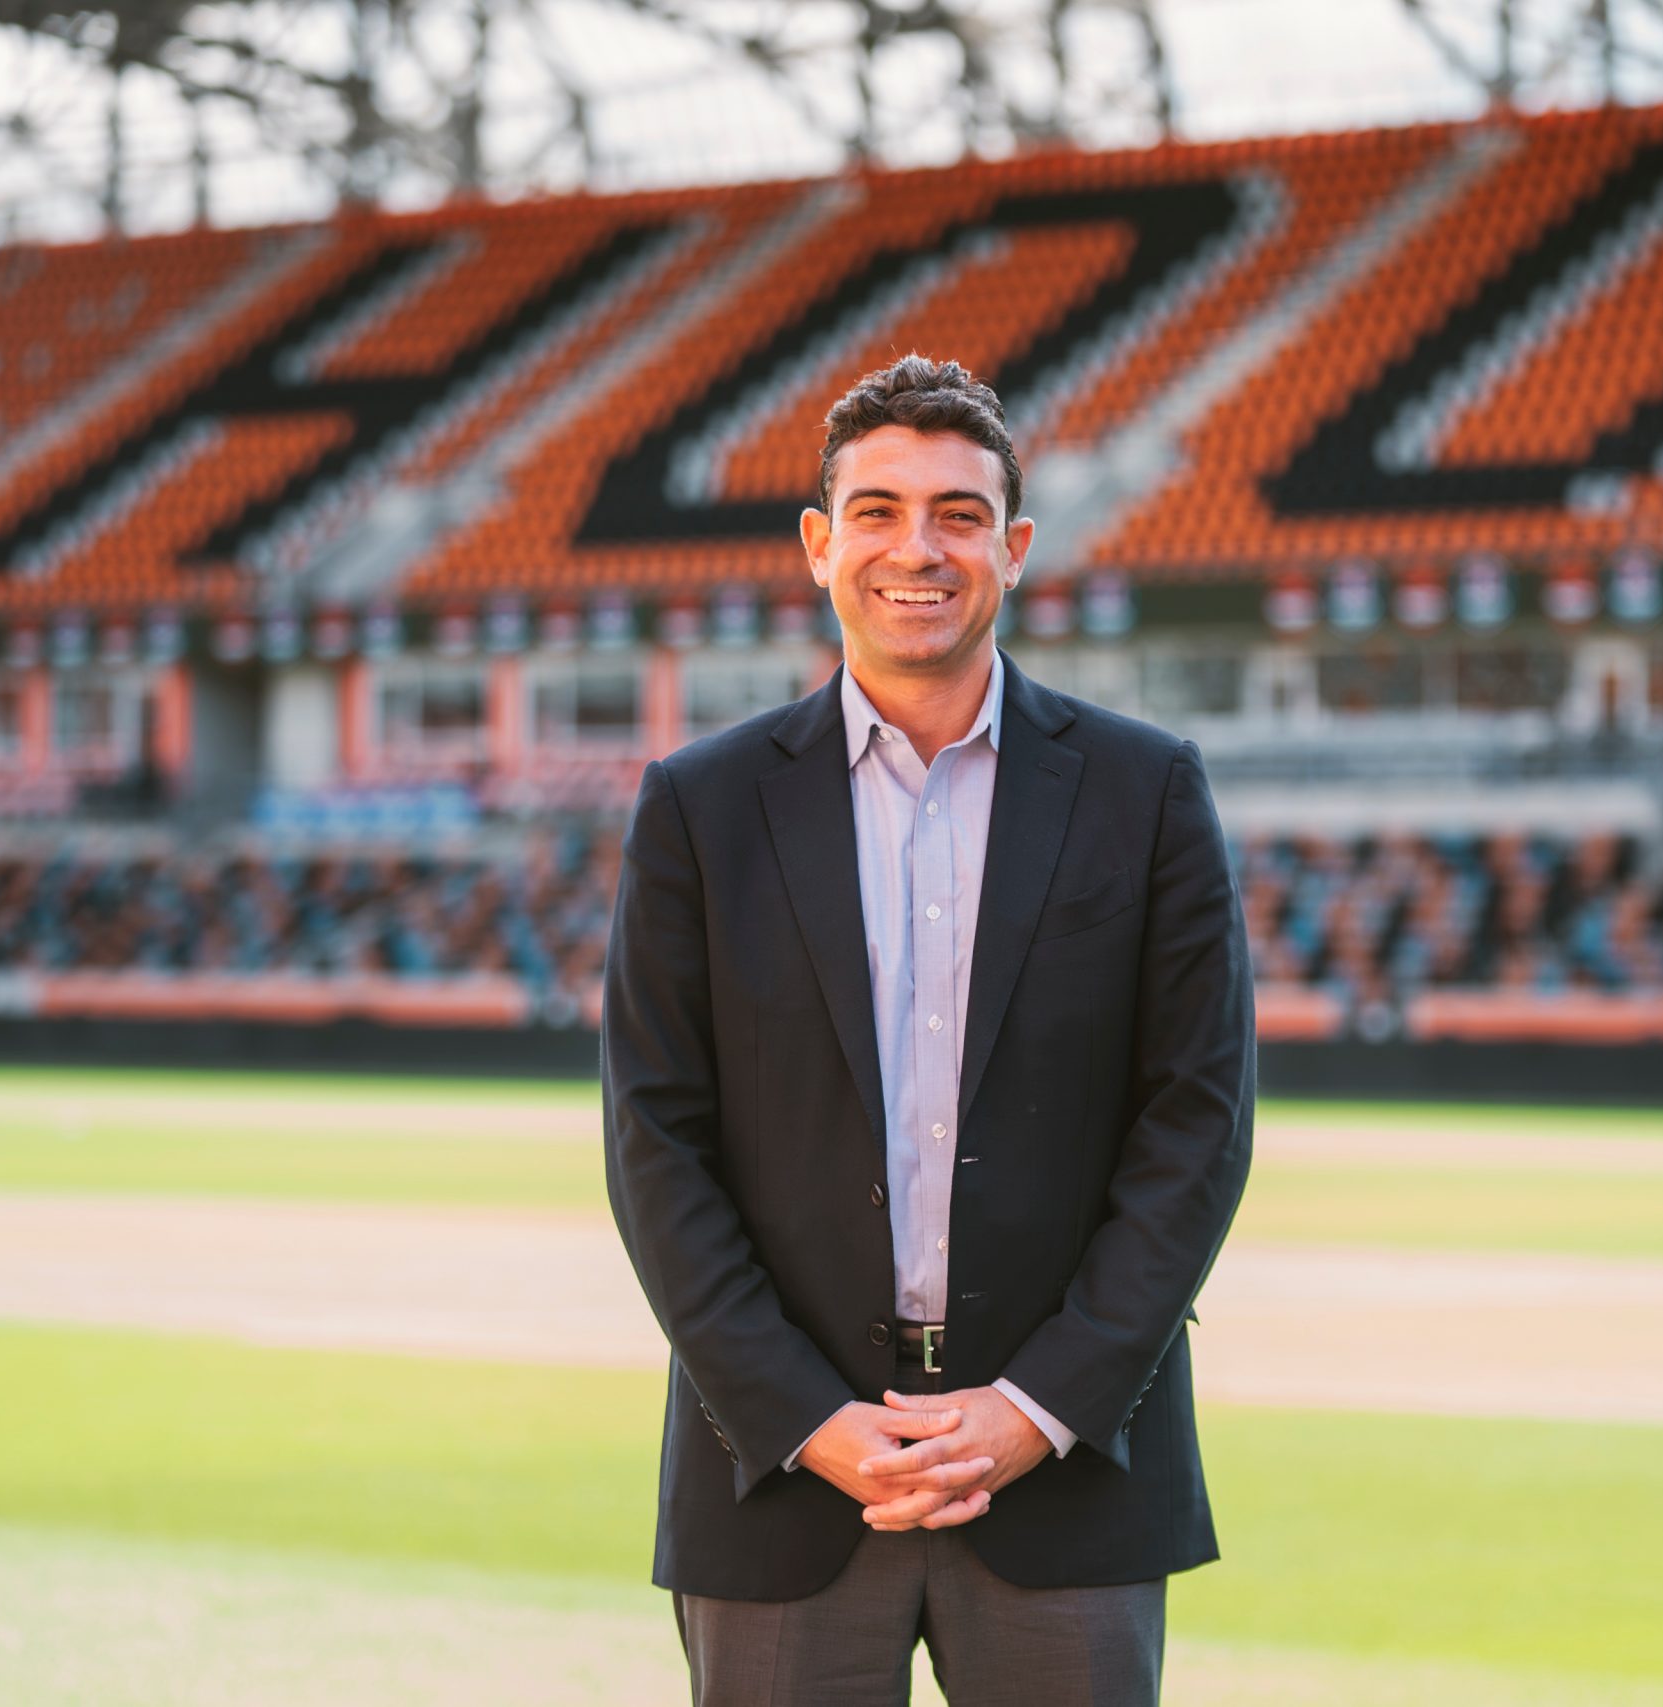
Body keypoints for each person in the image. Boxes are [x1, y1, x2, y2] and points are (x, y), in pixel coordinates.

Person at [602, 353, 1255, 1706]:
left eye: (960, 514)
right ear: (819, 544)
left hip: (1067, 1475)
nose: (919, 548)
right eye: (879, 511)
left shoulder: (1145, 791)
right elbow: (654, 1143)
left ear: (1014, 548)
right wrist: (806, 1420)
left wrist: (1036, 1410)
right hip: (782, 1478)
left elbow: (1197, 1124)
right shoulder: (699, 807)